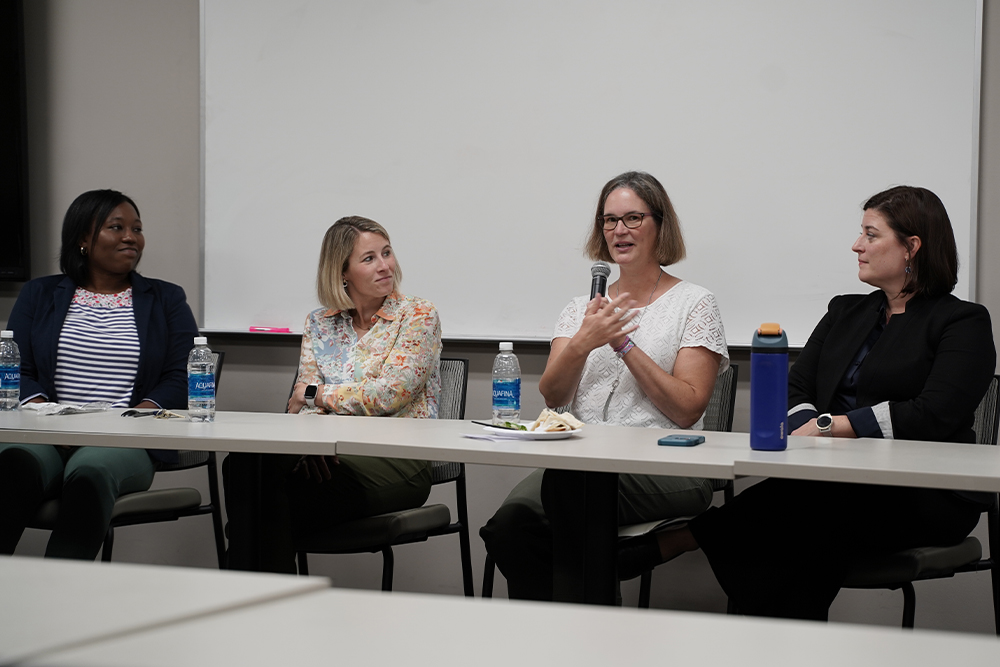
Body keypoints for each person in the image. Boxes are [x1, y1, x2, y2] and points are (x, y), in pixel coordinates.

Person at [642, 185, 996, 620]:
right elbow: (797, 389)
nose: (856, 245)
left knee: (801, 513)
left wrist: (831, 426)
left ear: (911, 247)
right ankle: (782, 637)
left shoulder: (962, 323)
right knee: (802, 517)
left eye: (870, 234)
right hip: (831, 480)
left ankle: (688, 540)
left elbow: (933, 413)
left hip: (924, 494)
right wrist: (810, 424)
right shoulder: (846, 312)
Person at [480, 171, 729, 600]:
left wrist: (622, 342)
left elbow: (687, 409)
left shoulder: (694, 302)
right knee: (510, 527)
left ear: (660, 225)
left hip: (667, 465)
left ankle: (588, 639)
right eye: (609, 220)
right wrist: (583, 340)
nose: (619, 231)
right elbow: (553, 398)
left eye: (633, 218)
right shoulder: (581, 308)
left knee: (572, 494)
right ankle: (553, 635)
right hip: (579, 459)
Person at [225, 216, 442, 573]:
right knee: (245, 465)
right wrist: (312, 444)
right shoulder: (319, 322)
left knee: (257, 509)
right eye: (369, 258)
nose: (385, 265)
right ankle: (266, 608)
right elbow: (299, 403)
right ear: (342, 272)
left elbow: (387, 396)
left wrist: (319, 395)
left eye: (387, 253)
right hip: (330, 457)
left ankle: (255, 610)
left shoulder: (418, 315)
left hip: (400, 460)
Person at [0, 189, 198, 559]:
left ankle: (60, 595)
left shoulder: (166, 298)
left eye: (136, 229)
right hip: (44, 435)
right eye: (116, 227)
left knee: (90, 471)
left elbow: (181, 375)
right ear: (83, 240)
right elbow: (14, 370)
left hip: (125, 439)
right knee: (13, 466)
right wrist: (53, 424)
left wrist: (127, 421)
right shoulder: (39, 294)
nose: (131, 237)